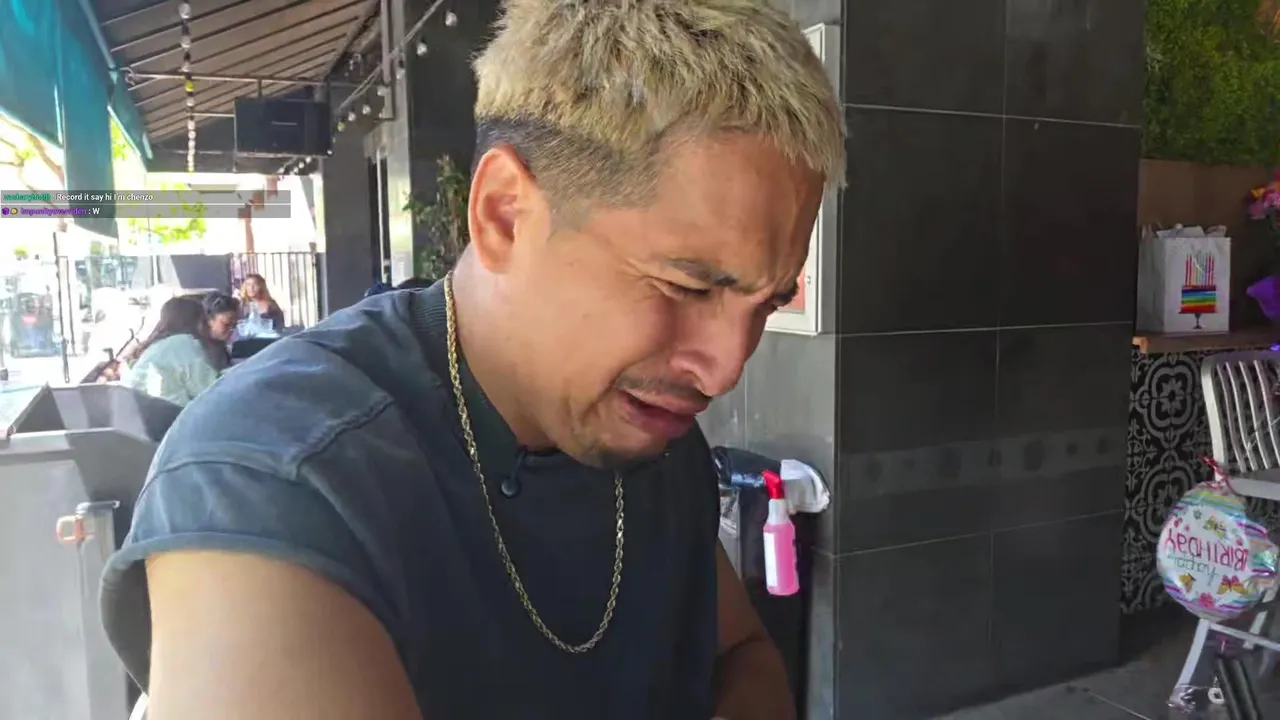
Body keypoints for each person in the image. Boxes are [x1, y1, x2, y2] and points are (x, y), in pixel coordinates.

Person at [100, 2, 844, 719]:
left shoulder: (649, 429)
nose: (724, 370)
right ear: (504, 214)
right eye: (687, 286)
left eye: (766, 303)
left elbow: (743, 655)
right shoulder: (273, 472)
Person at [119, 296, 220, 407]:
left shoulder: (155, 347)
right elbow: (209, 391)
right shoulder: (184, 343)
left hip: (133, 409)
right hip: (166, 412)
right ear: (198, 322)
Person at [201, 292, 239, 371]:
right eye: (226, 324)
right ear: (209, 320)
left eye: (234, 325)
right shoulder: (199, 352)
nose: (231, 329)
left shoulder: (220, 345)